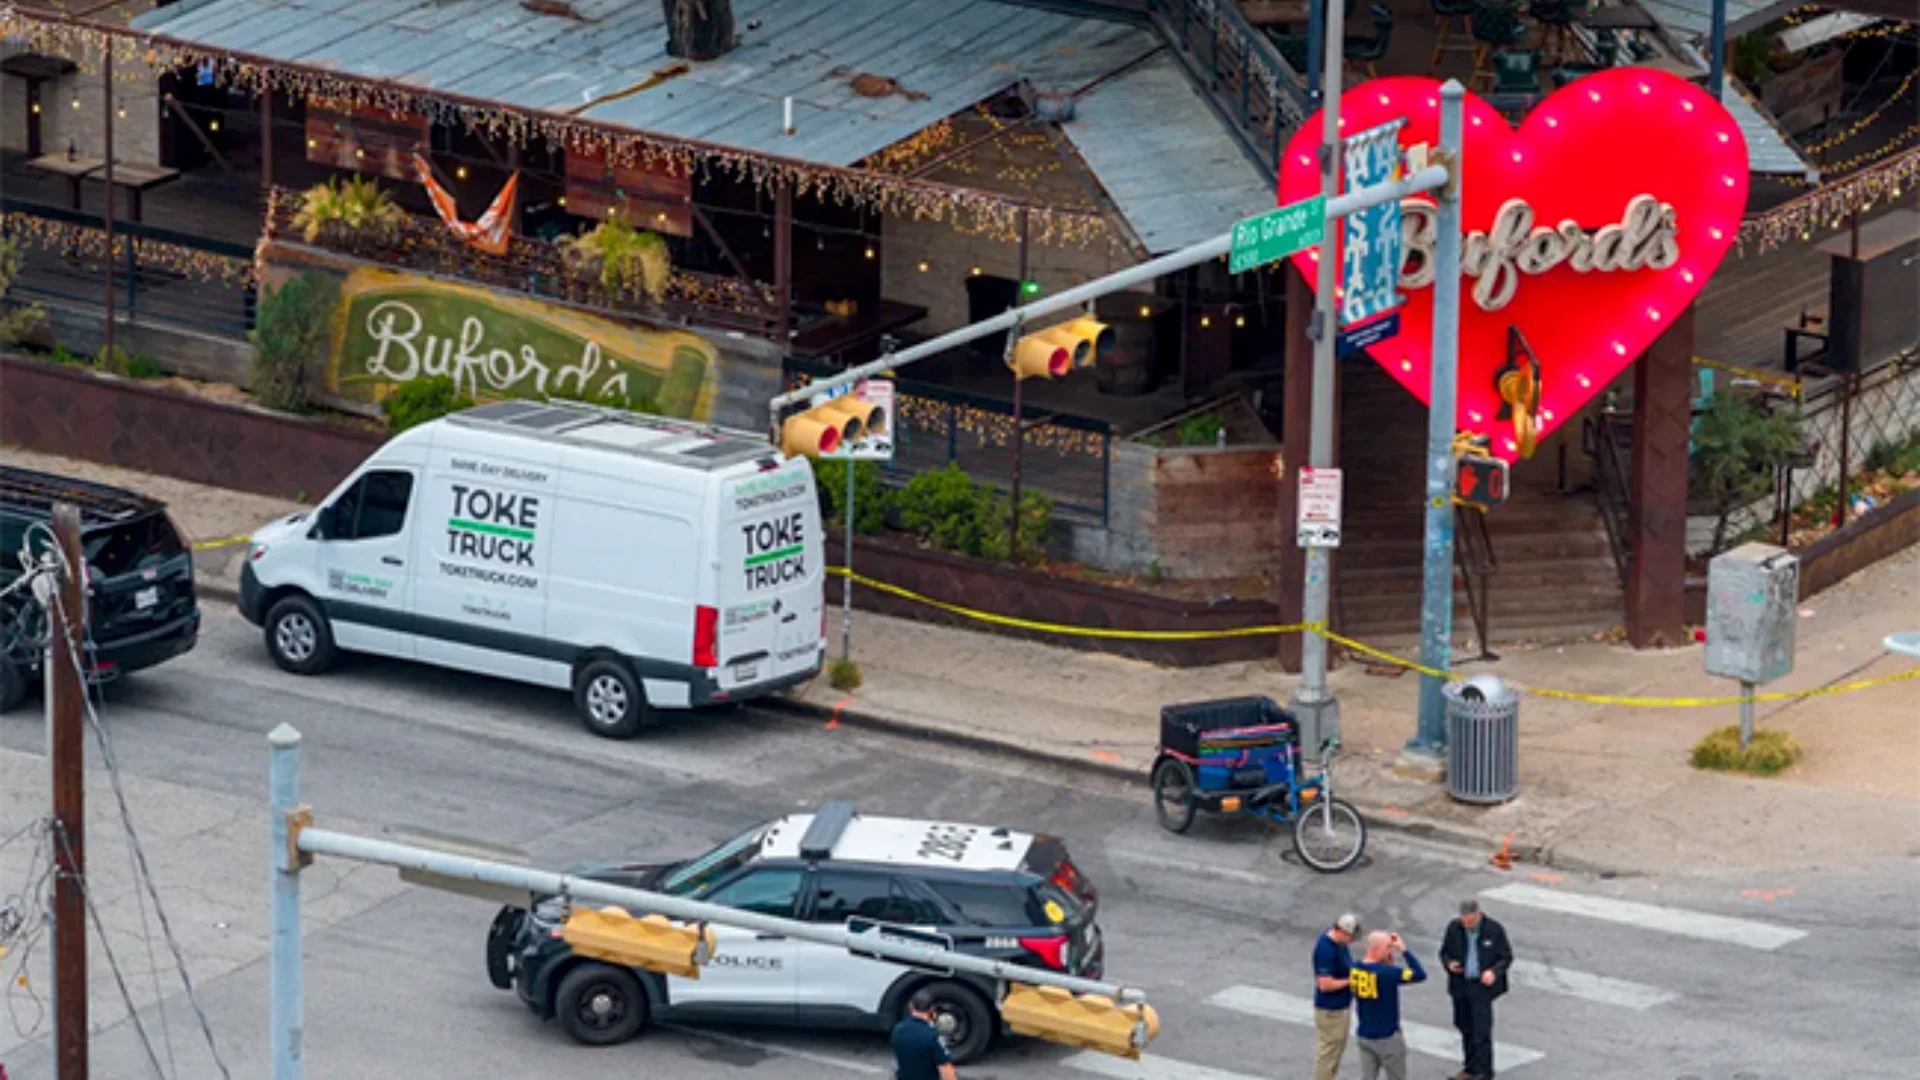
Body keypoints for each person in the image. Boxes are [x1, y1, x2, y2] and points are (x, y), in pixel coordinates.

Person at [1440, 899, 1513, 1080]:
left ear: (1478, 915)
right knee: (1464, 1026)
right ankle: (1470, 1068)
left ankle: (1485, 1072)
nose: (1467, 924)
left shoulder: (1493, 930)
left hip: (1481, 987)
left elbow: (1506, 957)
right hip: (1461, 984)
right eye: (1464, 920)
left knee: (1481, 1030)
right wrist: (1450, 963)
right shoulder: (1454, 928)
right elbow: (1444, 952)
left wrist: (1493, 972)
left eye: (1470, 921)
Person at [1350, 931, 1427, 1080]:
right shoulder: (1387, 973)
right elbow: (1419, 974)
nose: (1391, 951)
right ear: (1377, 949)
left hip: (1365, 1035)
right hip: (1388, 1037)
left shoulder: (1354, 969)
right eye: (1388, 948)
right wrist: (1404, 950)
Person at [1311, 912, 1363, 1080]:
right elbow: (1325, 984)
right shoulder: (1326, 950)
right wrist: (1350, 981)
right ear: (1342, 931)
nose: (1351, 941)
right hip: (1330, 1010)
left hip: (1341, 1006)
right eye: (1350, 937)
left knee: (1336, 1052)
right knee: (1328, 1055)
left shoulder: (1340, 945)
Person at [890, 989, 958, 1080]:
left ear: (911, 1006)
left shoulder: (898, 1029)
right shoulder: (933, 1036)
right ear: (932, 1010)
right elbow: (945, 1068)